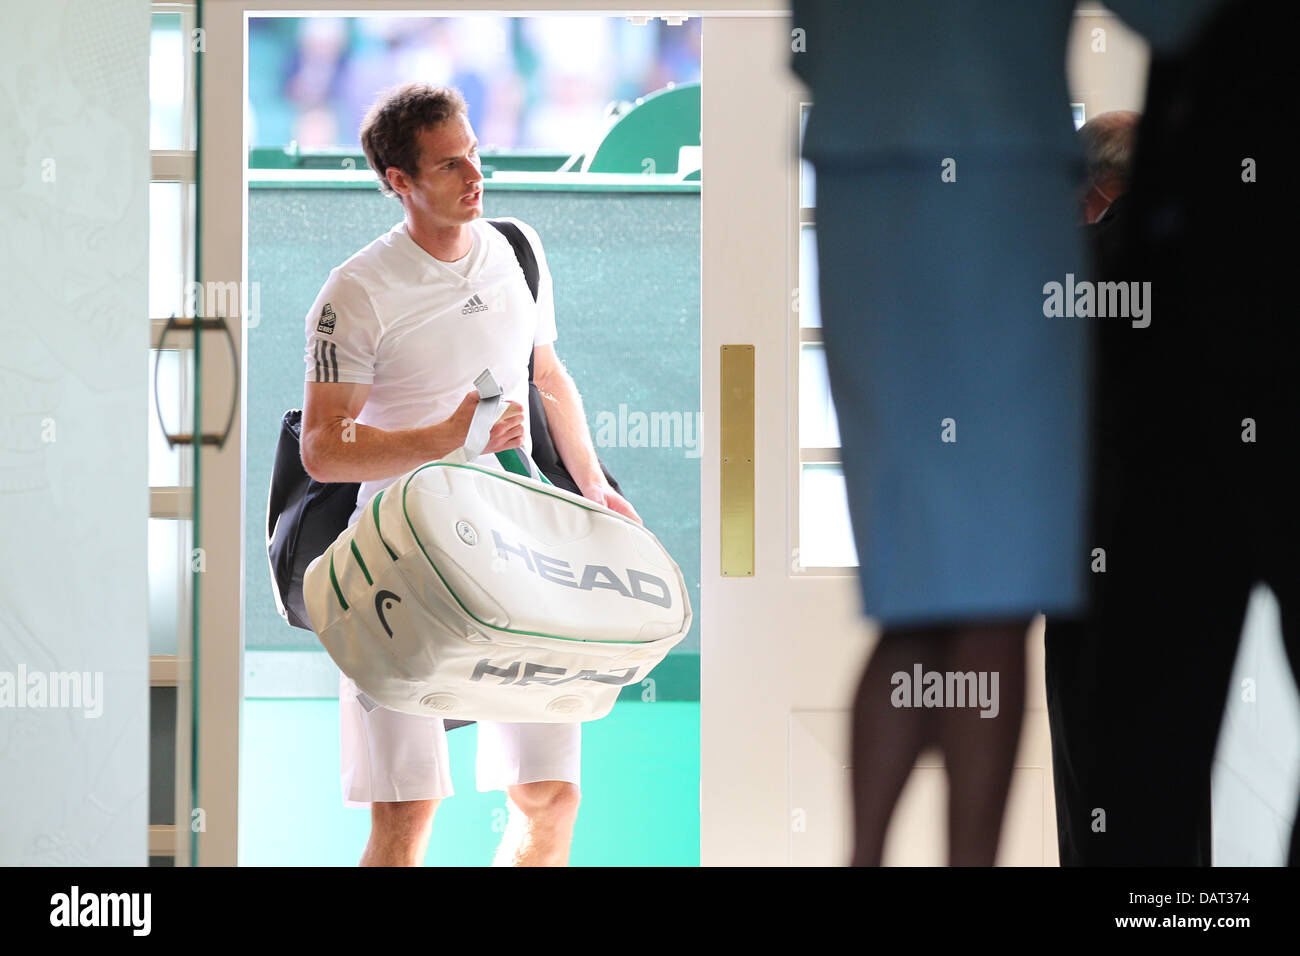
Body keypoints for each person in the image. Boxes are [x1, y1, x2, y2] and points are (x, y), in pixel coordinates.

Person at [789, 0, 1222, 866]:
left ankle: (865, 855)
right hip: (999, 175)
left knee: (913, 602)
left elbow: (812, 41)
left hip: (859, 180)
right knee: (993, 599)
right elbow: (1171, 18)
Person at [299, 83, 638, 866]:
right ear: (399, 182)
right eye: (449, 166)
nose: (474, 175)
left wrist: (592, 488)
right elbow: (323, 448)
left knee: (549, 799)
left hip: (523, 550)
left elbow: (546, 374)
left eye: (474, 153)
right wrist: (447, 435)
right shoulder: (355, 292)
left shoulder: (517, 245)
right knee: (406, 815)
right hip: (400, 565)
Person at [1045, 0, 1299, 866]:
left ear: (1098, 193)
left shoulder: (1083, 270)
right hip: (1193, 512)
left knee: (1116, 793)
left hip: (1102, 554)